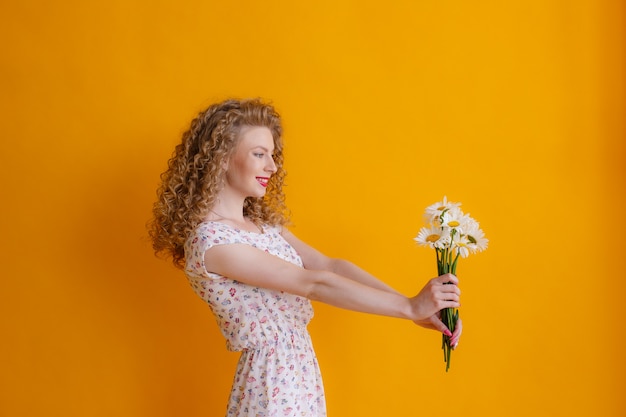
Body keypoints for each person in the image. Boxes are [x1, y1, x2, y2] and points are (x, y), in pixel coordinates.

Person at [148, 98, 462, 417]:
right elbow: (311, 283)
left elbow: (328, 266)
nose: (272, 166)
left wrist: (414, 308)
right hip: (271, 382)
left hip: (299, 372)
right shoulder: (211, 242)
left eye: (272, 155)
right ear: (222, 158)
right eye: (259, 154)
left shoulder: (264, 227)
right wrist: (408, 306)